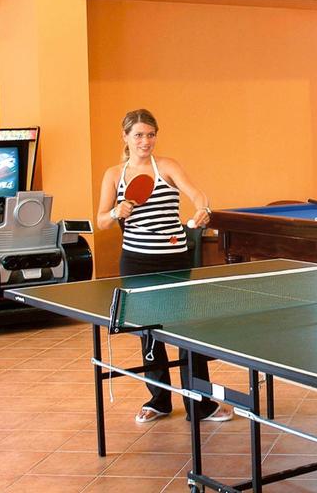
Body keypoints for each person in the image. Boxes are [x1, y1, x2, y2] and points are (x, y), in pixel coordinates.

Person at [97, 108, 233, 424]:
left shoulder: (167, 166)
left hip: (174, 258)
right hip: (135, 260)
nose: (146, 141)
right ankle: (159, 400)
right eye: (139, 135)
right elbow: (101, 221)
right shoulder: (113, 174)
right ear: (126, 137)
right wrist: (117, 212)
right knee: (148, 331)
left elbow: (198, 194)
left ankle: (201, 405)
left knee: (186, 329)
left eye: (151, 134)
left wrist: (203, 210)